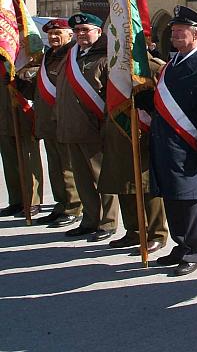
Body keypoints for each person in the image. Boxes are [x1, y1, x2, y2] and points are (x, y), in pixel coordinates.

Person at [147, 6, 197, 276]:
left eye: (181, 32)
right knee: (171, 196)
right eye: (174, 32)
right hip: (165, 142)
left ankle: (195, 250)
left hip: (190, 145)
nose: (175, 36)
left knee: (190, 199)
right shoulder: (172, 63)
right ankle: (180, 245)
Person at [56, 13, 119, 241]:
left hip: (95, 130)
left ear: (98, 32)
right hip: (71, 128)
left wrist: (106, 128)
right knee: (82, 179)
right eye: (78, 31)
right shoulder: (70, 57)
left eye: (86, 29)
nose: (81, 34)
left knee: (102, 178)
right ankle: (90, 219)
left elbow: (112, 99)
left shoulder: (105, 59)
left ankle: (108, 222)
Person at [98, 53, 169, 255]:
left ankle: (156, 234)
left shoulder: (154, 67)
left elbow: (164, 102)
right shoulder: (115, 66)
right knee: (123, 182)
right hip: (118, 132)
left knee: (146, 187)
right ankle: (134, 231)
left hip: (143, 134)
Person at [30, 18, 82, 227]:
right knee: (55, 165)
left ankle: (74, 206)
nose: (53, 37)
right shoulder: (48, 56)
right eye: (51, 34)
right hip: (47, 120)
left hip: (65, 119)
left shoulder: (73, 55)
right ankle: (61, 204)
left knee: (68, 166)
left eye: (58, 33)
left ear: (70, 35)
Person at [0, 58, 44, 218]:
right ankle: (16, 200)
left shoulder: (26, 41)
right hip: (3, 115)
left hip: (23, 113)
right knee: (9, 161)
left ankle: (32, 201)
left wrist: (19, 75)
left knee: (29, 159)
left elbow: (37, 66)